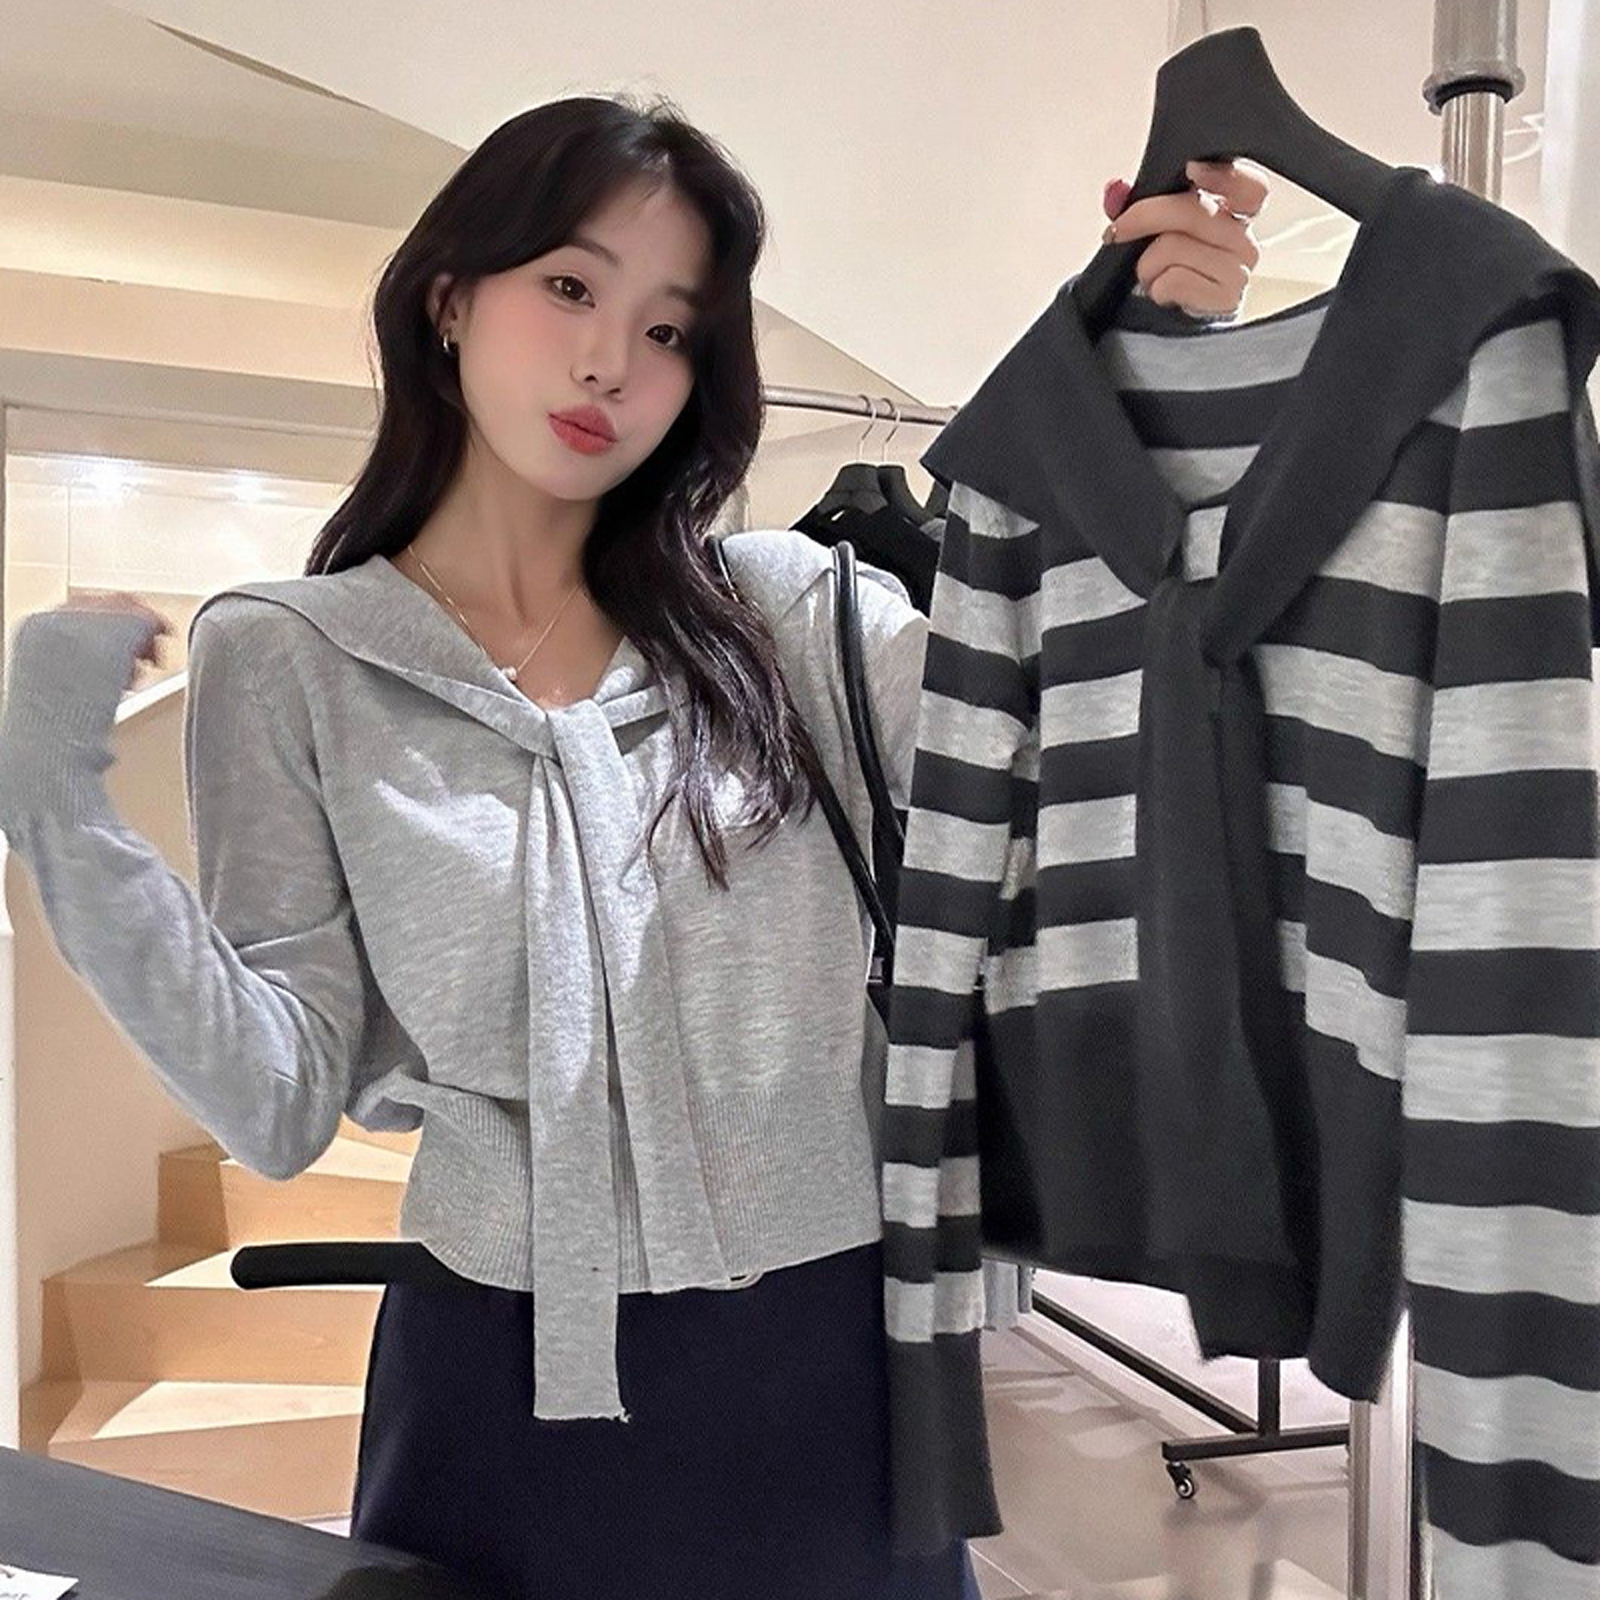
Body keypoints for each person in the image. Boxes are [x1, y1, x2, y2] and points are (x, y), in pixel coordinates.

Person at [0, 97, 1265, 1600]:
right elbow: (277, 1098)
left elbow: (1075, 742)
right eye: (570, 287)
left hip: (834, 1367)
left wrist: (1150, 398)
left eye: (670, 330)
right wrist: (56, 801)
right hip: (498, 1395)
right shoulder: (291, 658)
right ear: (450, 298)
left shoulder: (795, 613)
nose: (612, 361)